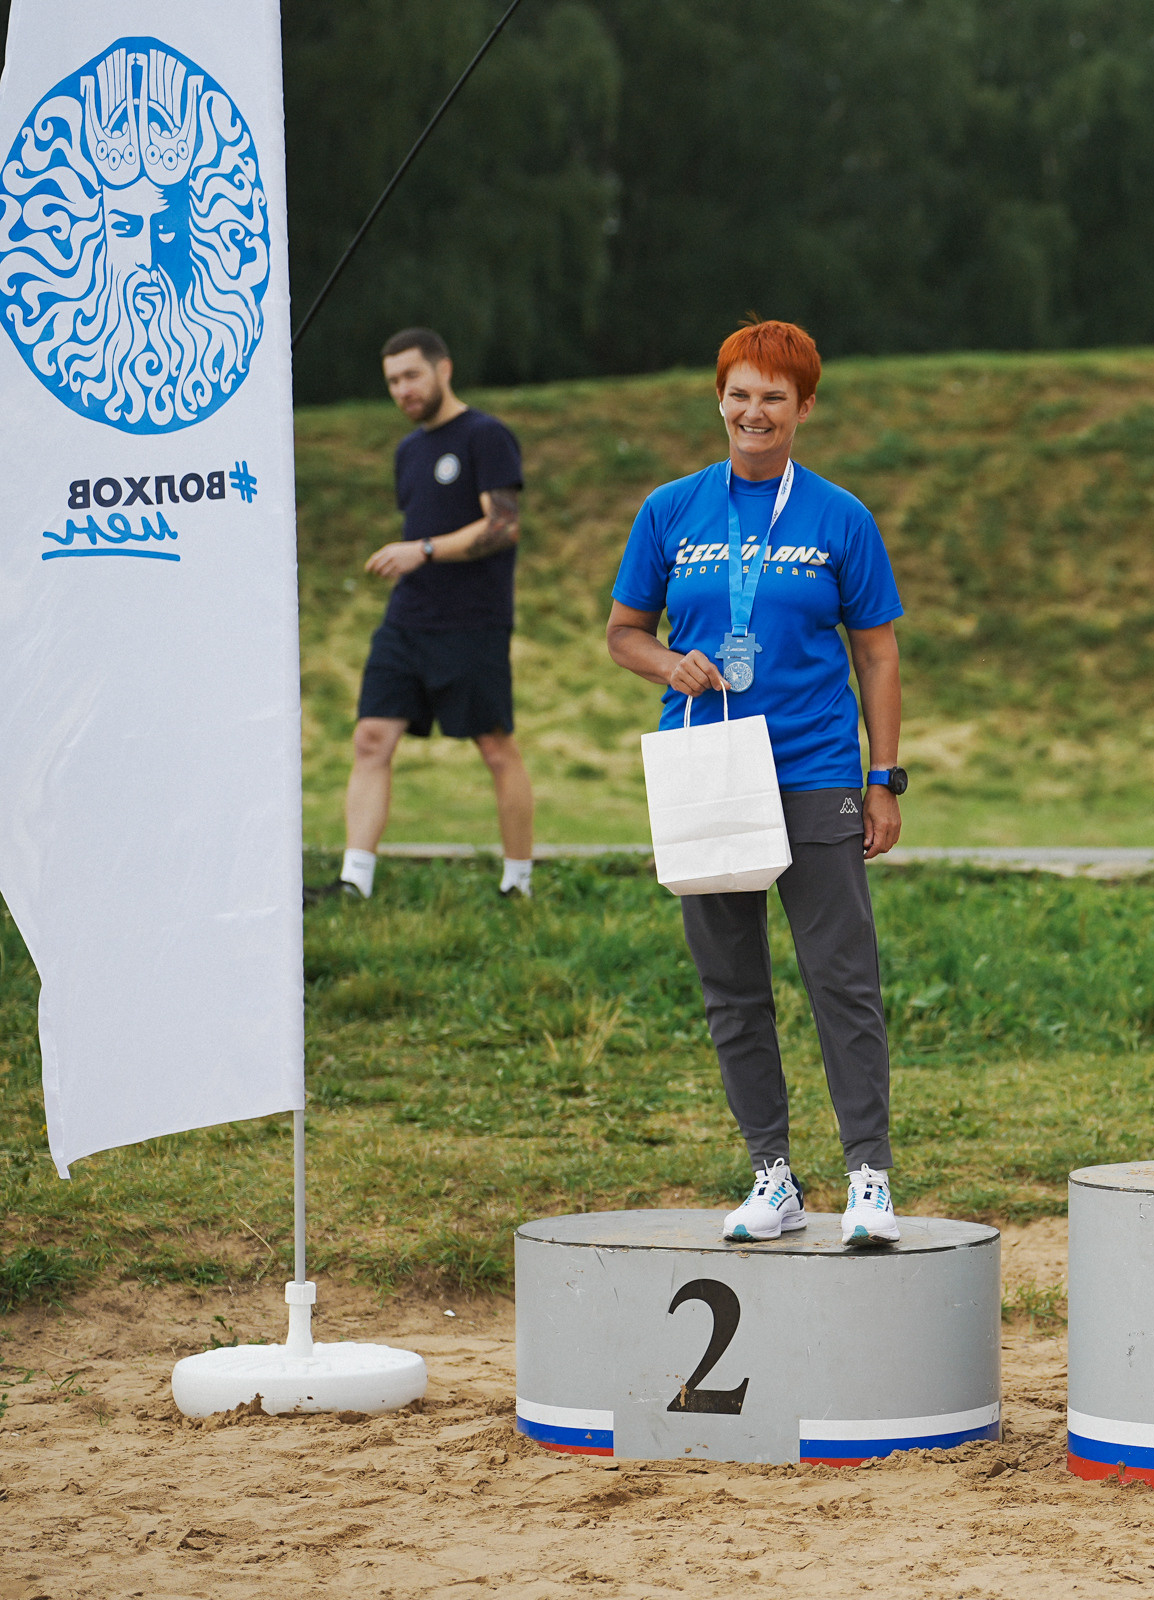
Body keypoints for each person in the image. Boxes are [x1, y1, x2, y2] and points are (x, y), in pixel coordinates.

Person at [606, 318, 909, 1247]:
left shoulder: (839, 518)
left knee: (841, 981)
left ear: (804, 407)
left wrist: (885, 775)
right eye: (740, 393)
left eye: (774, 395)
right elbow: (624, 632)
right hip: (708, 772)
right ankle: (772, 1177)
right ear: (720, 399)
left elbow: (879, 653)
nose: (754, 410)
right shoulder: (671, 511)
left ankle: (869, 1179)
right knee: (731, 985)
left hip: (814, 769)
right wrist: (671, 665)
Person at [309, 329, 533, 904]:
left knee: (494, 746)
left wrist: (424, 549)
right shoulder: (407, 452)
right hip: (407, 618)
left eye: (411, 375)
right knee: (370, 738)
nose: (402, 390)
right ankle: (354, 881)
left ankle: (518, 882)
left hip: (473, 620)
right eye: (392, 382)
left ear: (443, 369)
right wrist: (418, 558)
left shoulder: (487, 436)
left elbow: (502, 527)